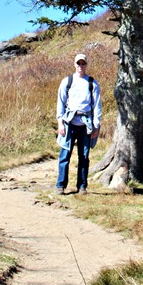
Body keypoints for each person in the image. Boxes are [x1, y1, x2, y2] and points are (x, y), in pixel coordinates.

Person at [55, 53, 101, 195]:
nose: (81, 66)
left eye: (83, 63)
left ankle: (82, 186)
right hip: (69, 123)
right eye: (78, 63)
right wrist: (60, 122)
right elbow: (60, 103)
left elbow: (97, 106)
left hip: (85, 125)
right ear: (74, 64)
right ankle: (61, 185)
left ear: (86, 65)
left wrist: (96, 126)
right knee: (65, 155)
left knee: (84, 157)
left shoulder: (92, 83)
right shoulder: (67, 81)